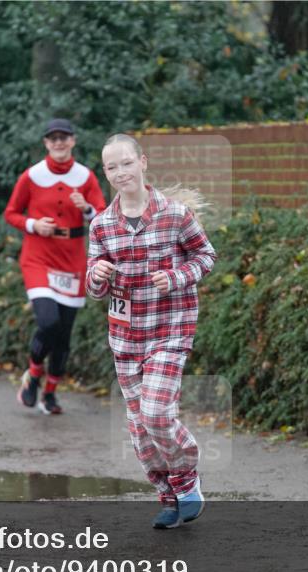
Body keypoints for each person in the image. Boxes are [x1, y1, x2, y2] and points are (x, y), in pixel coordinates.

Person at [86, 134, 216, 529]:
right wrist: (97, 274)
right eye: (112, 167)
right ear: (105, 173)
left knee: (156, 413)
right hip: (126, 338)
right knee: (141, 430)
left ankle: (186, 478)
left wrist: (176, 277)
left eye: (126, 163)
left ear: (142, 162)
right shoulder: (101, 225)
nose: (120, 172)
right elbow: (93, 288)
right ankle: (169, 496)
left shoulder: (175, 214)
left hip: (169, 330)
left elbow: (205, 256)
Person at [4, 119, 106, 415]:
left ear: (73, 141)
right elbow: (11, 213)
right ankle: (34, 373)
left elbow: (102, 216)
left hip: (72, 258)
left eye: (64, 137)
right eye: (53, 138)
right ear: (46, 143)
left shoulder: (85, 176)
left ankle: (49, 394)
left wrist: (86, 209)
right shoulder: (32, 176)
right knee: (48, 322)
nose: (59, 142)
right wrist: (34, 224)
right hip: (38, 256)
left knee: (63, 335)